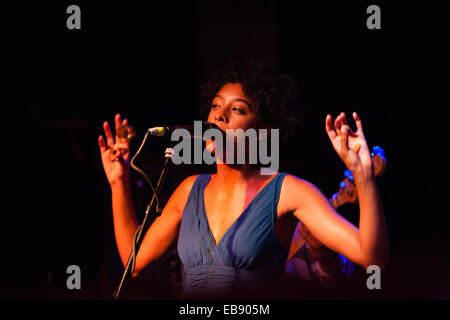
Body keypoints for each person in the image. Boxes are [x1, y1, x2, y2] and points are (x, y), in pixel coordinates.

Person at [98, 62, 388, 299]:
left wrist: (362, 174)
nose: (219, 115)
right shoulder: (190, 190)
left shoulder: (288, 191)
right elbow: (133, 265)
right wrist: (118, 183)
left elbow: (371, 257)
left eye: (236, 109)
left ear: (260, 132)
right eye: (215, 106)